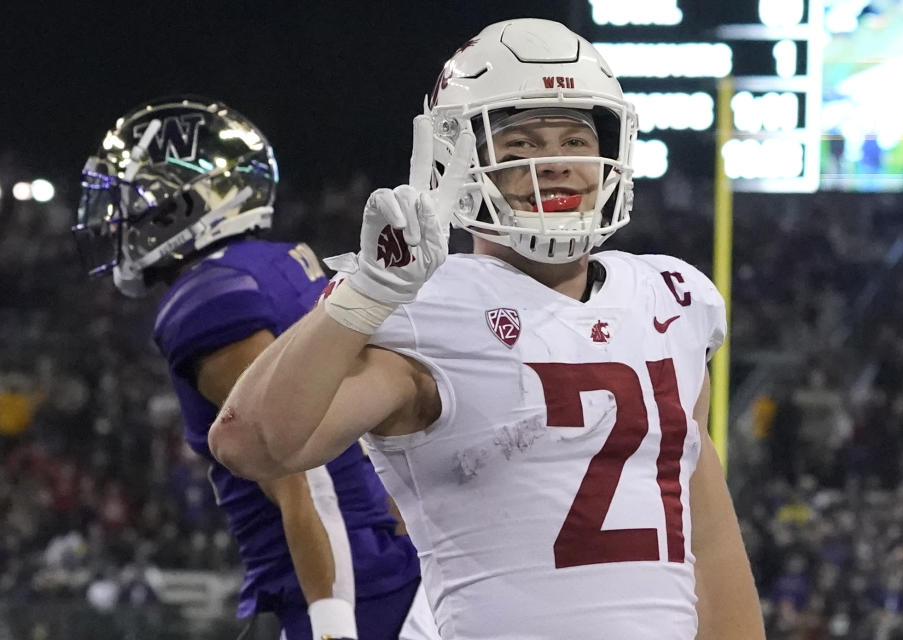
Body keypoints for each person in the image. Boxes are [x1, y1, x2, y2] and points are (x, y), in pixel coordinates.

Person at [209, 19, 765, 639]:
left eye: (573, 140)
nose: (553, 164)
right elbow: (249, 445)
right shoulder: (427, 308)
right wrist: (364, 296)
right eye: (521, 145)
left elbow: (709, 539)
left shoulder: (669, 299)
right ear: (458, 160)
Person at [72, 96, 438, 640]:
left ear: (186, 205)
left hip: (342, 581)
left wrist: (331, 620)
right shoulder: (283, 262)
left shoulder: (206, 298)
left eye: (140, 198)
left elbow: (300, 473)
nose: (123, 218)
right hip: (390, 562)